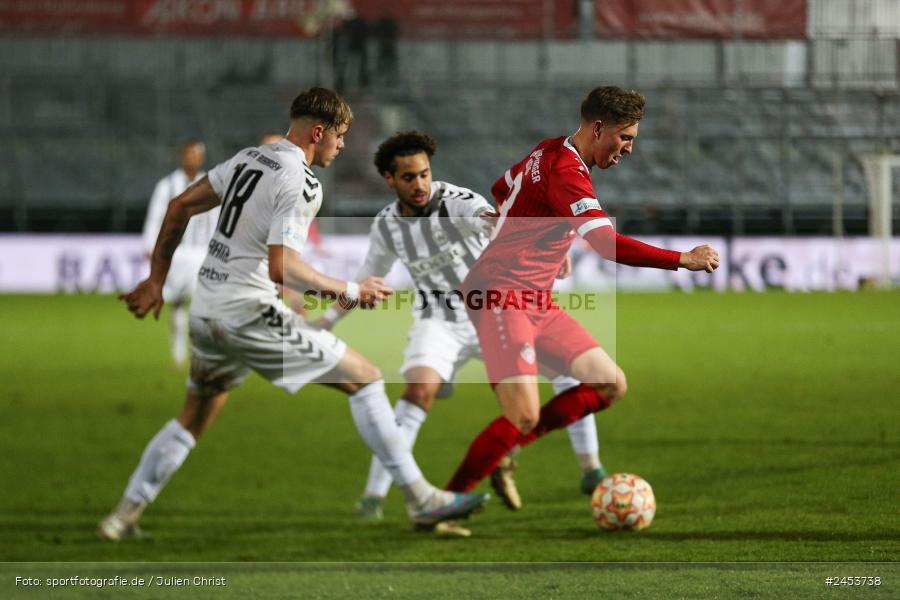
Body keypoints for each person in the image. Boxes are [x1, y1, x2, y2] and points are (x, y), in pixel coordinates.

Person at [97, 88, 487, 541]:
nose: (341, 146)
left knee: (193, 416)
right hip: (248, 312)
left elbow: (179, 206)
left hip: (207, 309)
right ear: (317, 132)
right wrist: (352, 290)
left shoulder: (249, 158)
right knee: (366, 378)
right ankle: (421, 498)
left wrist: (155, 281)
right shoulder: (302, 182)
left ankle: (121, 517)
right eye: (339, 136)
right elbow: (283, 268)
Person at [315, 131, 607, 521]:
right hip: (440, 321)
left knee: (569, 374)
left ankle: (590, 468)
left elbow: (497, 222)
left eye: (424, 174)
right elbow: (367, 278)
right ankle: (374, 495)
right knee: (417, 393)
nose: (420, 185)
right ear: (389, 180)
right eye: (408, 178)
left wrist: (549, 251)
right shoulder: (386, 226)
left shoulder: (458, 201)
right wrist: (327, 320)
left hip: (494, 311)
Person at [445, 86, 720, 496]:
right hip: (500, 294)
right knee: (522, 413)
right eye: (625, 138)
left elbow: (502, 186)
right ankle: (448, 500)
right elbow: (607, 244)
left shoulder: (548, 150)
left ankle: (507, 450)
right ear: (597, 128)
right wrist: (683, 259)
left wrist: (546, 243)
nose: (628, 149)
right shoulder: (566, 172)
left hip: (534, 297)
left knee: (610, 383)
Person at [141, 139, 217, 368]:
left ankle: (200, 351)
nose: (192, 158)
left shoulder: (211, 183)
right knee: (176, 303)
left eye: (195, 154)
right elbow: (155, 216)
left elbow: (217, 218)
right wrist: (151, 246)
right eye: (188, 154)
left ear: (201, 158)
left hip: (202, 252)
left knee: (203, 303)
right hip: (177, 252)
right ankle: (178, 350)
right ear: (182, 157)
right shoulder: (167, 185)